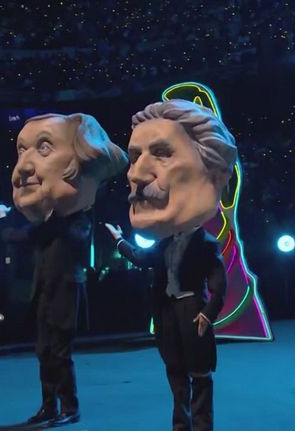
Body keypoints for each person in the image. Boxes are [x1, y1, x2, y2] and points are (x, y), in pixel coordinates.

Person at [105, 99, 237, 430]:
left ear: (214, 176)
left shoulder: (206, 243)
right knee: (175, 372)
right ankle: (181, 425)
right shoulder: (164, 243)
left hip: (192, 311)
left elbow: (219, 285)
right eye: (134, 157)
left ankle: (202, 426)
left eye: (162, 153)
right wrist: (119, 241)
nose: (135, 174)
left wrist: (207, 314)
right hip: (166, 313)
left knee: (200, 374)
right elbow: (142, 258)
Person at [0, 113, 127, 426]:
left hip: (64, 295)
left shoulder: (77, 221)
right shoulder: (50, 224)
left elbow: (28, 236)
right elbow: (21, 237)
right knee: (44, 352)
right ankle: (48, 405)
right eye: (22, 151)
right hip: (44, 294)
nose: (24, 165)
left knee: (59, 353)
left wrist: (8, 219)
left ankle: (70, 407)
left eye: (44, 148)